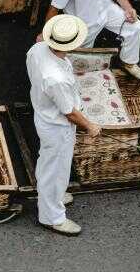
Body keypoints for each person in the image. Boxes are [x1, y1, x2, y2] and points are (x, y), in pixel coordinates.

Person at [27, 15, 102, 236]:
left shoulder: (37, 49)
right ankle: (52, 217)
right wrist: (90, 126)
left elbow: (39, 38)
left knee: (48, 163)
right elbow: (69, 112)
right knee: (56, 169)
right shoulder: (56, 78)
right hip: (57, 126)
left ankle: (53, 196)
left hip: (44, 114)